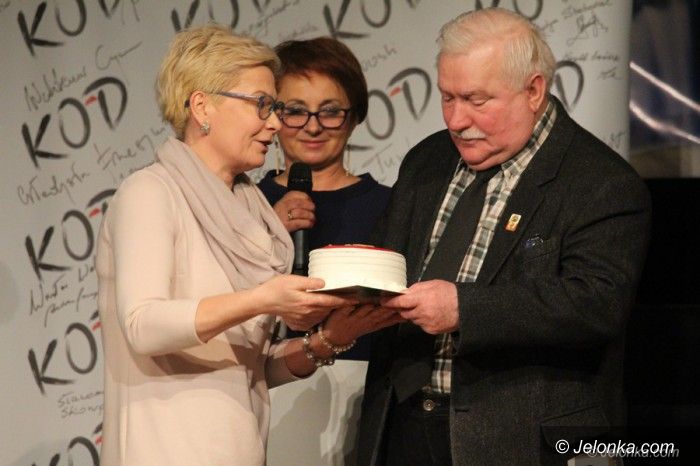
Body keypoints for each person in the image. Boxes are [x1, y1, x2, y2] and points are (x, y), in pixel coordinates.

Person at [356, 8, 652, 466]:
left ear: (533, 91)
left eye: (476, 100)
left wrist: (463, 308)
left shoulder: (600, 182)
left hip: (515, 440)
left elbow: (595, 304)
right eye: (447, 97)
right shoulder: (426, 161)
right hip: (402, 425)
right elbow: (389, 259)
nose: (456, 119)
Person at [95, 24, 401, 466]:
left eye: (273, 108)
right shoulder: (151, 193)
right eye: (261, 105)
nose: (274, 123)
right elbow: (143, 324)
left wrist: (328, 340)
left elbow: (249, 368)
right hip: (165, 449)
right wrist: (263, 298)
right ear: (202, 106)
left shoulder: (250, 211)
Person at [258, 37, 391, 360]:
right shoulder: (246, 203)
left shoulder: (392, 206)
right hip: (264, 380)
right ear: (273, 117)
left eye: (330, 111)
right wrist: (268, 232)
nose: (313, 127)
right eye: (295, 111)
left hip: (369, 381)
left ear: (355, 117)